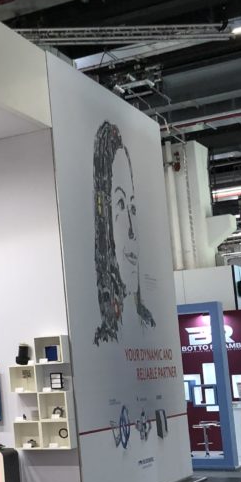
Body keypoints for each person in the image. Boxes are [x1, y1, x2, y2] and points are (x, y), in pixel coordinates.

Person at [93, 120, 155, 345]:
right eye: (120, 204)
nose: (132, 231)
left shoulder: (147, 323)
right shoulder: (104, 341)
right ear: (104, 219)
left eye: (133, 208)